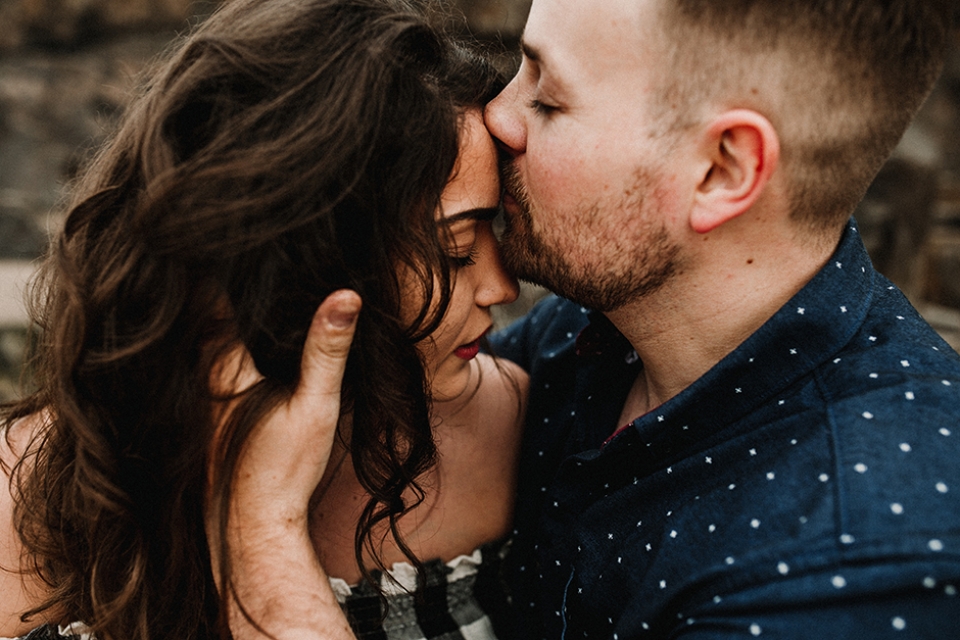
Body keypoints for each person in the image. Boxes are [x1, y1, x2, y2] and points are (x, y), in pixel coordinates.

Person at [223, 0, 960, 638]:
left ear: (721, 170)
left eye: (549, 100)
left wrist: (262, 539)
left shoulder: (858, 561)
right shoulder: (589, 335)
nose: (499, 117)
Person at [0, 0, 526, 638]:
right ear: (303, 263)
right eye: (456, 252)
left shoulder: (511, 426)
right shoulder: (30, 492)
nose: (501, 288)